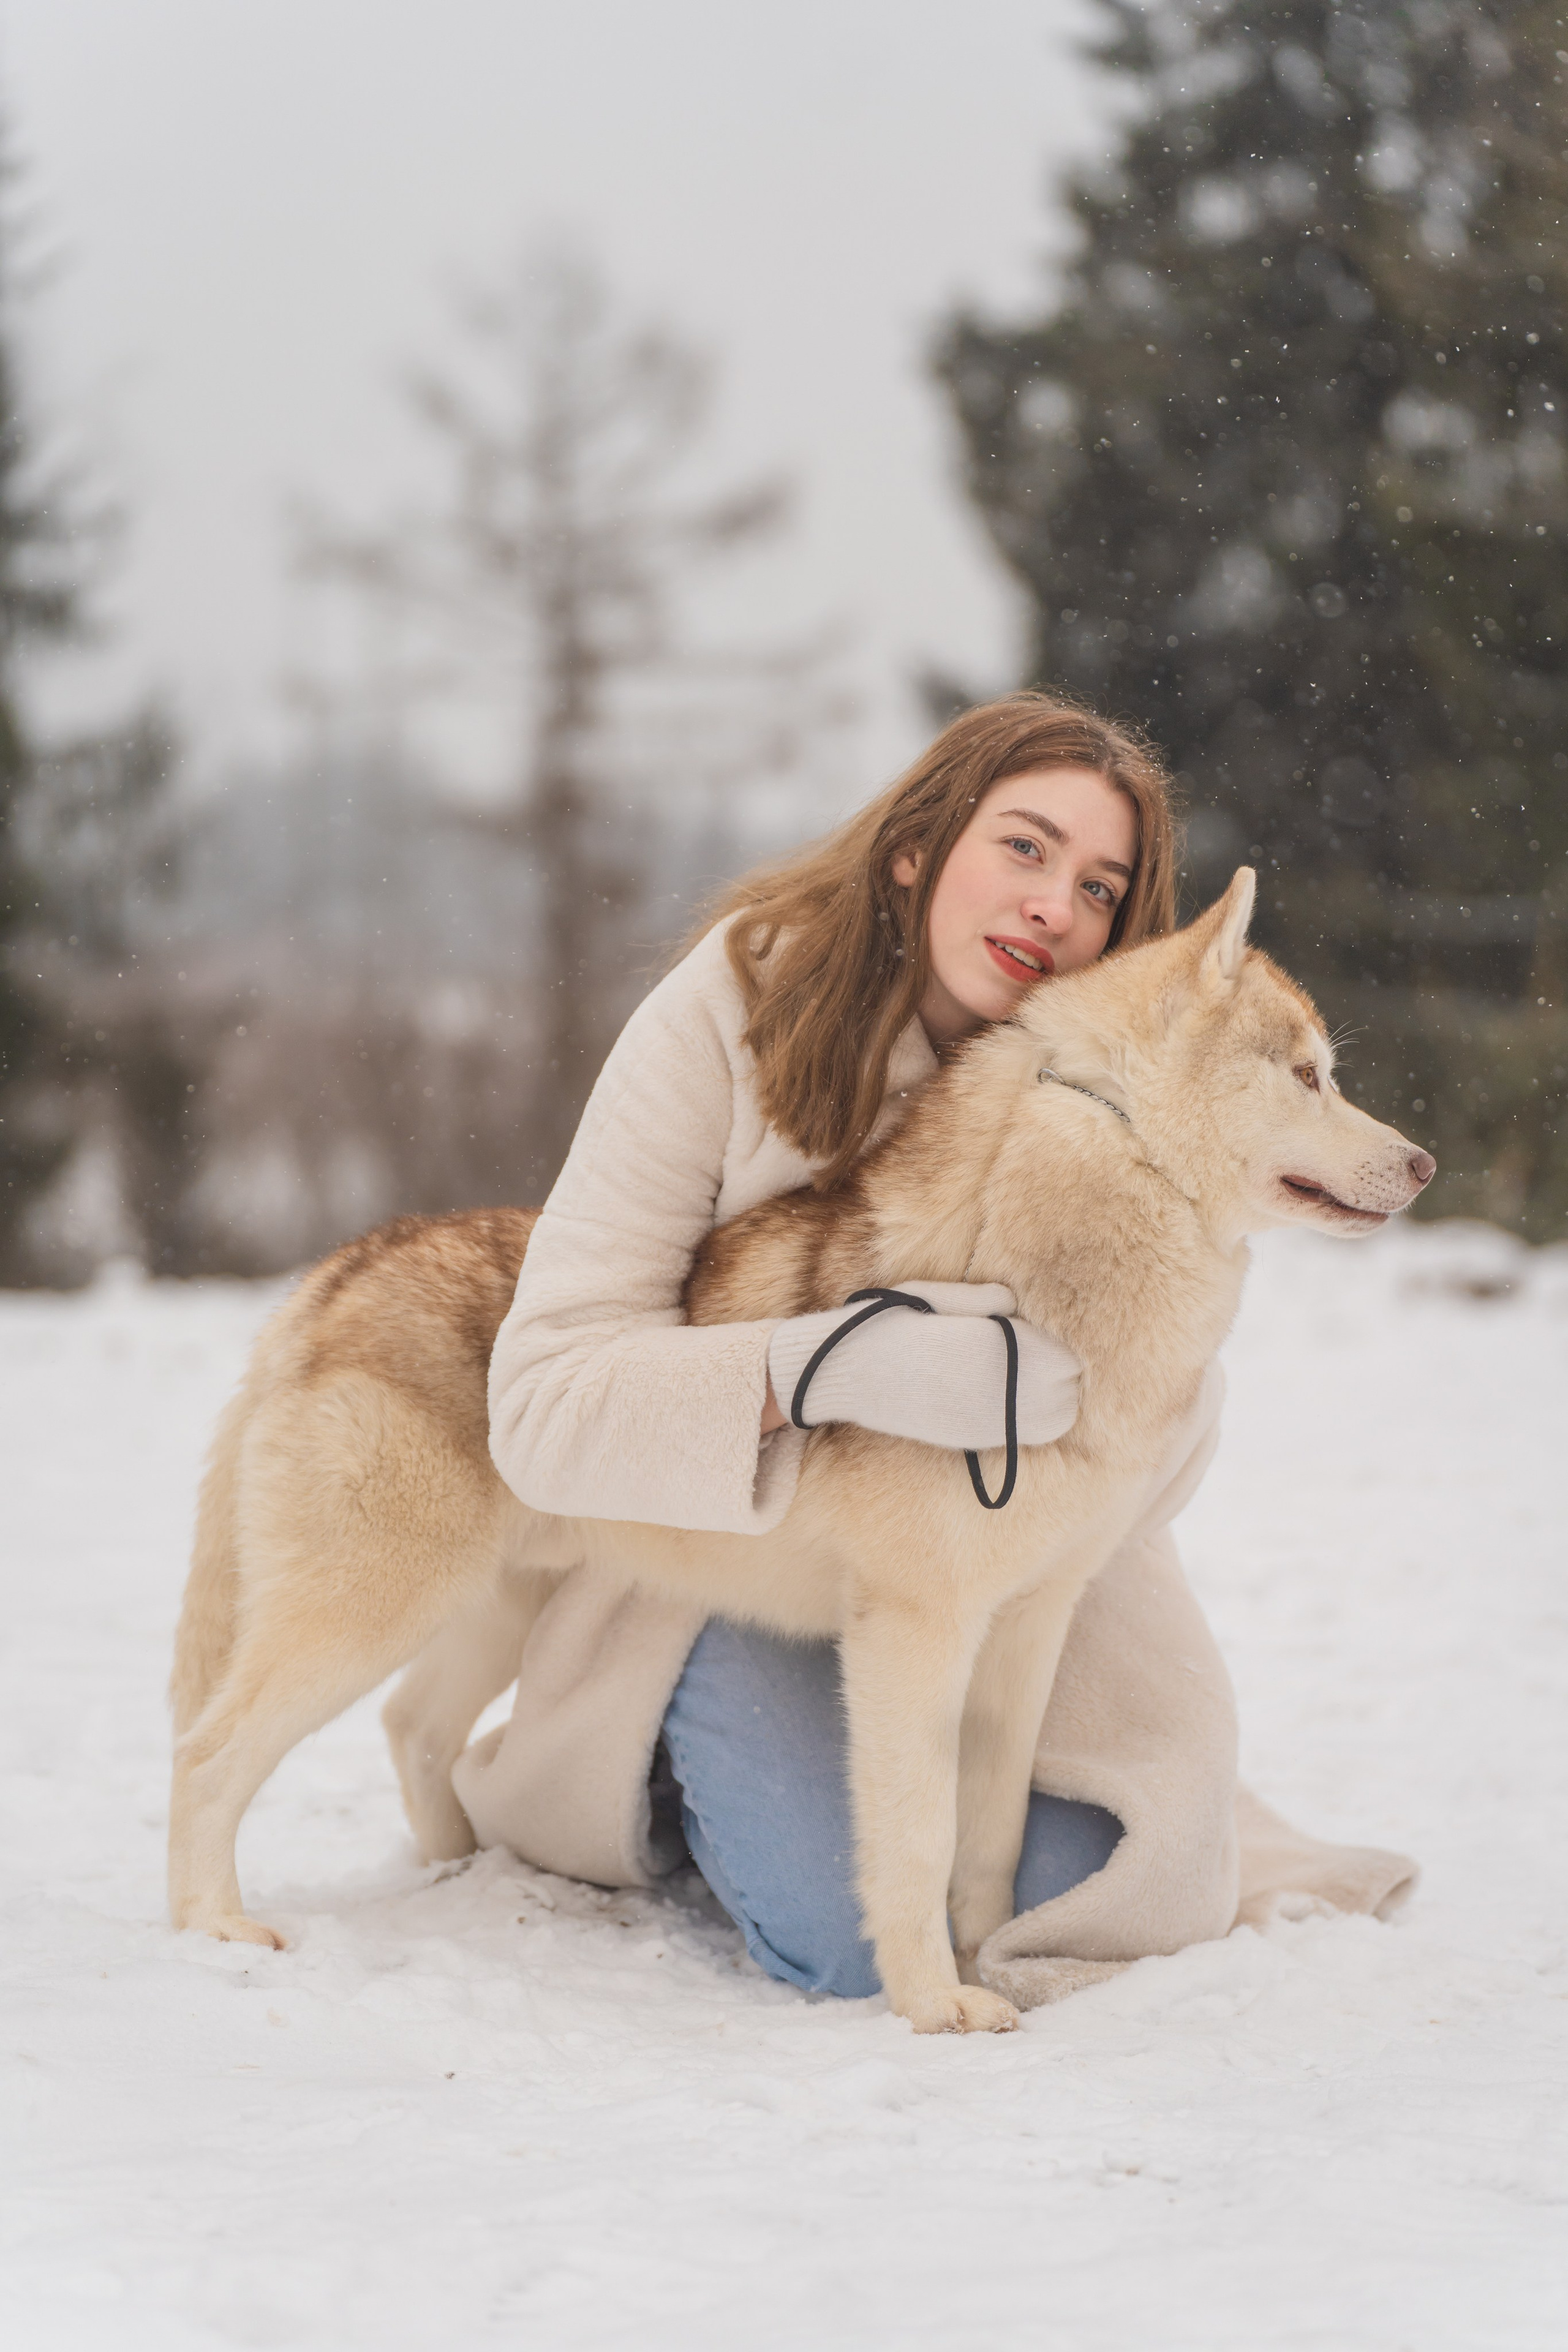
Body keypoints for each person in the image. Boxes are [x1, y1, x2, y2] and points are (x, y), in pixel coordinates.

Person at [453, 692, 1415, 2005]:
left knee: (1091, 1891)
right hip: (737, 1554)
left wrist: (1132, 1393)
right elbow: (543, 1409)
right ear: (916, 850)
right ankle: (663, 1771)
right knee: (851, 1941)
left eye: (1096, 885)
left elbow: (1147, 1495)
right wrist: (816, 1368)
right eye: (1021, 848)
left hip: (1009, 1555)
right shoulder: (737, 1007)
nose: (1052, 906)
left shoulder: (1138, 1110)